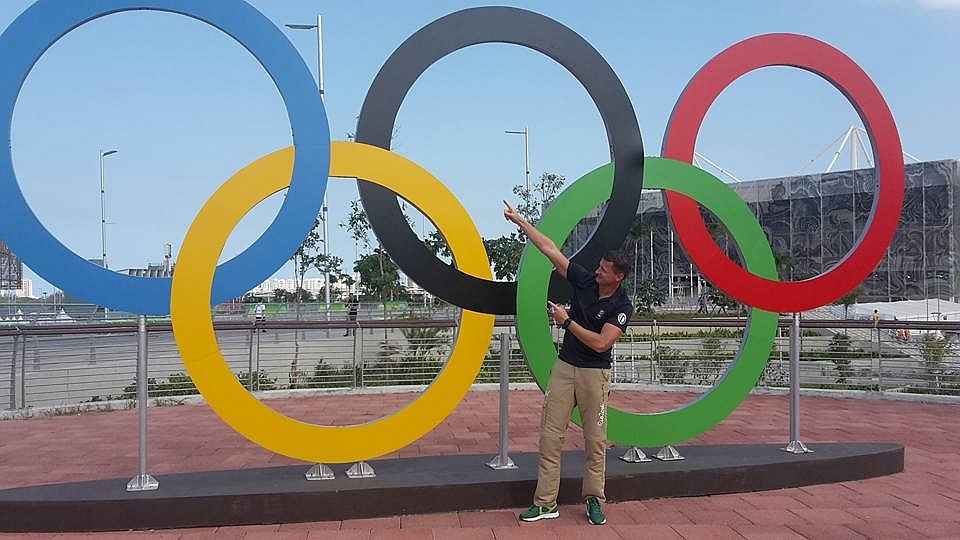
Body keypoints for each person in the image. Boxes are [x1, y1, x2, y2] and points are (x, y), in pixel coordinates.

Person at [503, 200, 634, 526]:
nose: (597, 269)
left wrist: (566, 322)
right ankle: (546, 502)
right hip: (564, 369)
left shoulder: (622, 305)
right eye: (599, 265)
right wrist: (521, 221)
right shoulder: (585, 281)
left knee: (595, 442)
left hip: (594, 375)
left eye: (604, 269)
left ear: (617, 277)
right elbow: (549, 248)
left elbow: (602, 342)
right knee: (550, 437)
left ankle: (594, 501)